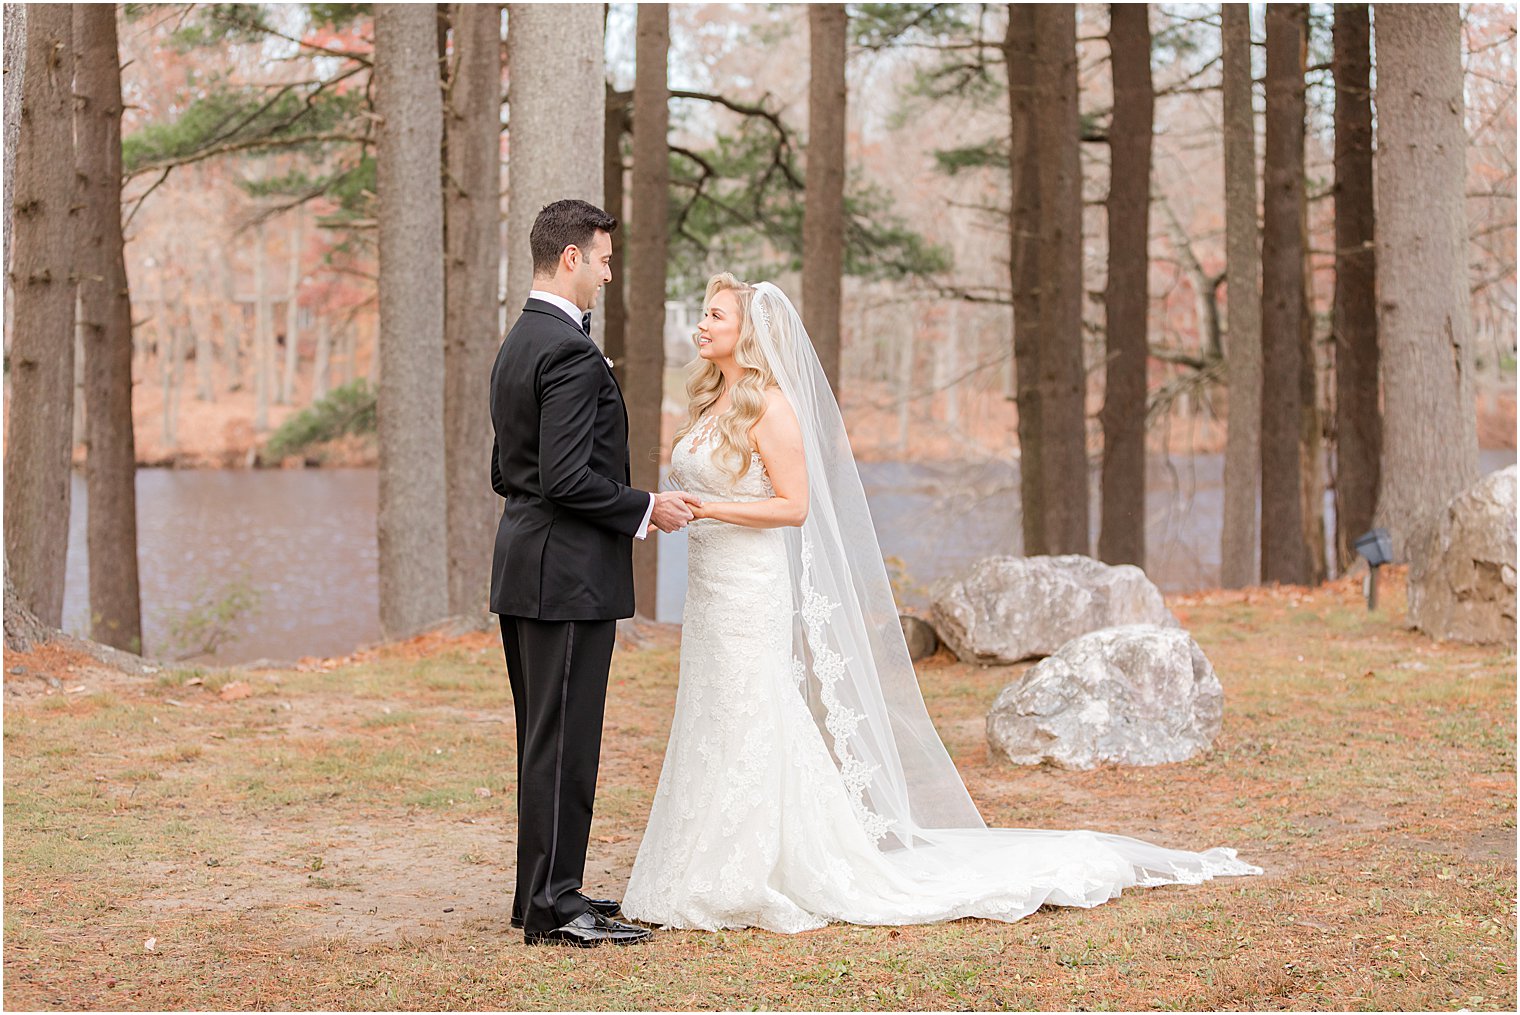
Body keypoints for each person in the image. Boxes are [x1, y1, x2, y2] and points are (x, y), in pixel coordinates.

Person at [620, 273, 1263, 933]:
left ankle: (750, 867)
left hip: (750, 583)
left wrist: (703, 506)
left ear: (747, 333)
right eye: (704, 313)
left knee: (750, 706)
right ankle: (701, 860)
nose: (702, 325)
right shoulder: (710, 399)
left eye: (716, 315)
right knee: (711, 709)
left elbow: (795, 505)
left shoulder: (773, 407)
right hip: (712, 584)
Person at [488, 199, 700, 947]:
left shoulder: (520, 341)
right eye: (605, 261)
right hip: (566, 578)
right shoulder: (570, 351)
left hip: (524, 565)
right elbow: (570, 477)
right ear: (571, 257)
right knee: (568, 740)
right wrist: (647, 507)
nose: (609, 275)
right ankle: (554, 906)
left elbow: (506, 472)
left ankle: (539, 892)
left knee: (542, 737)